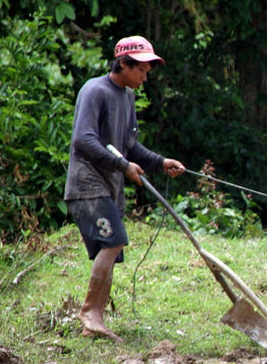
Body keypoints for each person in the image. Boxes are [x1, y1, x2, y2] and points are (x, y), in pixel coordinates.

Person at [65, 35, 185, 342]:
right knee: (114, 241)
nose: (145, 77)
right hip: (87, 184)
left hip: (109, 185)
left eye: (148, 71)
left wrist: (161, 163)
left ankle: (95, 322)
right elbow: (83, 140)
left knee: (111, 249)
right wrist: (123, 167)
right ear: (123, 63)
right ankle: (90, 313)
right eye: (141, 70)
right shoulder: (95, 90)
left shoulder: (127, 97)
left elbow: (129, 146)